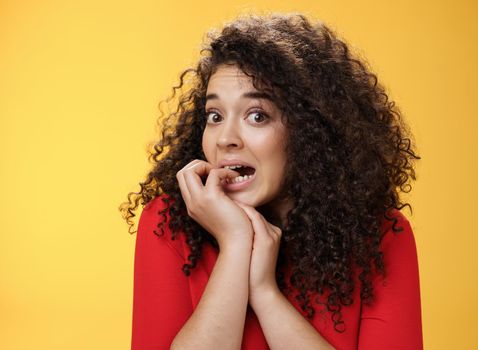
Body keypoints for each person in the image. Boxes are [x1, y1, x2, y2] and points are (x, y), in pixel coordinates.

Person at [120, 13, 423, 350]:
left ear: (310, 131)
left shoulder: (380, 236)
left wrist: (264, 293)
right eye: (215, 116)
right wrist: (235, 243)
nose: (225, 139)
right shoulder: (168, 222)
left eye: (257, 115)